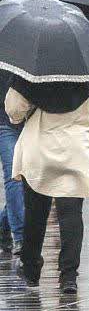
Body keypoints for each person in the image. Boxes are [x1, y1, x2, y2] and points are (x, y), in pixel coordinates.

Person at [6, 79, 89, 294]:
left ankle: (31, 268)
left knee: (36, 212)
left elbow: (14, 110)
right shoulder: (86, 75)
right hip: (74, 149)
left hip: (40, 148)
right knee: (71, 213)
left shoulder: (30, 73)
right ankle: (68, 276)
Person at [0, 70, 24, 257]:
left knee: (29, 180)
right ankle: (21, 237)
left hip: (32, 120)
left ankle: (3, 224)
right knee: (14, 177)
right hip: (5, 121)